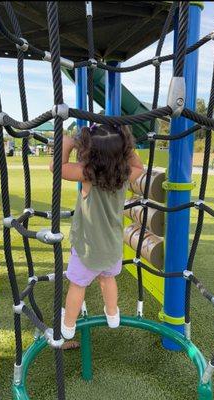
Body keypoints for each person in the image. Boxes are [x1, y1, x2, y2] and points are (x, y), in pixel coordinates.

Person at [50, 124, 144, 339]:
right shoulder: (124, 175)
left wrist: (69, 142)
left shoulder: (87, 174)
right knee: (107, 279)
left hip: (87, 247)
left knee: (78, 285)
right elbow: (140, 167)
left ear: (89, 153)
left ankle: (68, 325)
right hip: (112, 247)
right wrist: (126, 147)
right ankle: (112, 314)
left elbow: (56, 166)